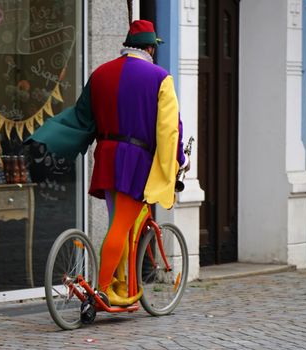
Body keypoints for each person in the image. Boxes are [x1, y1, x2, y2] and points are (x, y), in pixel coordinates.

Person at [26, 20, 188, 306]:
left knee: (119, 223)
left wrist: (52, 136)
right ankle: (101, 289)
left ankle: (121, 286)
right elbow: (169, 130)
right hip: (136, 160)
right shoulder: (160, 78)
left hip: (107, 155)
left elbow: (81, 117)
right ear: (150, 47)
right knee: (120, 226)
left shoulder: (100, 73)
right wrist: (177, 162)